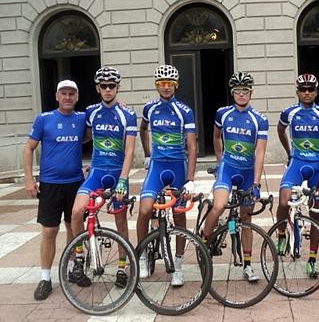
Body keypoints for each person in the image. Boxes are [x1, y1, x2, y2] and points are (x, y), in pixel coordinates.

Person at [70, 67, 137, 288]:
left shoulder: (127, 114)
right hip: (97, 173)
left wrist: (123, 179)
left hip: (117, 175)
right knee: (77, 212)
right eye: (104, 86)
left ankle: (121, 266)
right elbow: (85, 137)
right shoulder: (91, 112)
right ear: (98, 88)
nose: (108, 90)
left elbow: (129, 150)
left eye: (112, 86)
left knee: (120, 221)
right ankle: (79, 258)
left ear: (118, 87)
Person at [202, 71, 268, 282]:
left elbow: (260, 153)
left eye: (245, 91)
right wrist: (221, 160)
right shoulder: (223, 114)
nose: (241, 94)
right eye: (238, 91)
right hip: (228, 169)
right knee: (219, 206)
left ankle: (248, 265)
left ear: (251, 93)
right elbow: (216, 136)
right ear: (232, 93)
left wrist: (256, 184)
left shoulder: (260, 120)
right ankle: (204, 241)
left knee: (246, 216)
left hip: (248, 173)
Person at [23, 80, 86, 300]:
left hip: (75, 183)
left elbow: (89, 137)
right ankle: (45, 278)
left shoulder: (82, 119)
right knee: (49, 231)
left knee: (74, 227)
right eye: (64, 93)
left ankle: (74, 268)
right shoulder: (44, 119)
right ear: (57, 96)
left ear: (77, 97)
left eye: (72, 94)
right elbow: (29, 148)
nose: (68, 97)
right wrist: (29, 179)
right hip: (50, 184)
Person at [136, 64, 197, 285]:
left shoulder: (184, 110)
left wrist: (190, 179)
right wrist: (147, 154)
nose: (166, 87)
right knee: (144, 210)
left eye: (169, 83)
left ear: (176, 85)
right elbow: (143, 129)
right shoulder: (149, 109)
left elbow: (192, 146)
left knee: (179, 215)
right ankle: (142, 256)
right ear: (156, 86)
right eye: (162, 83)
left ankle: (178, 266)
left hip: (178, 167)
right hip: (157, 167)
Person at [275, 73, 319, 278]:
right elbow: (280, 130)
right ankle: (282, 233)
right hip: (297, 164)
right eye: (303, 89)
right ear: (297, 92)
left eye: (310, 89)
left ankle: (312, 259)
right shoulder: (289, 112)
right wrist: (290, 151)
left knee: (316, 212)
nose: (307, 93)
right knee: (283, 200)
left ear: (316, 92)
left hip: (317, 166)